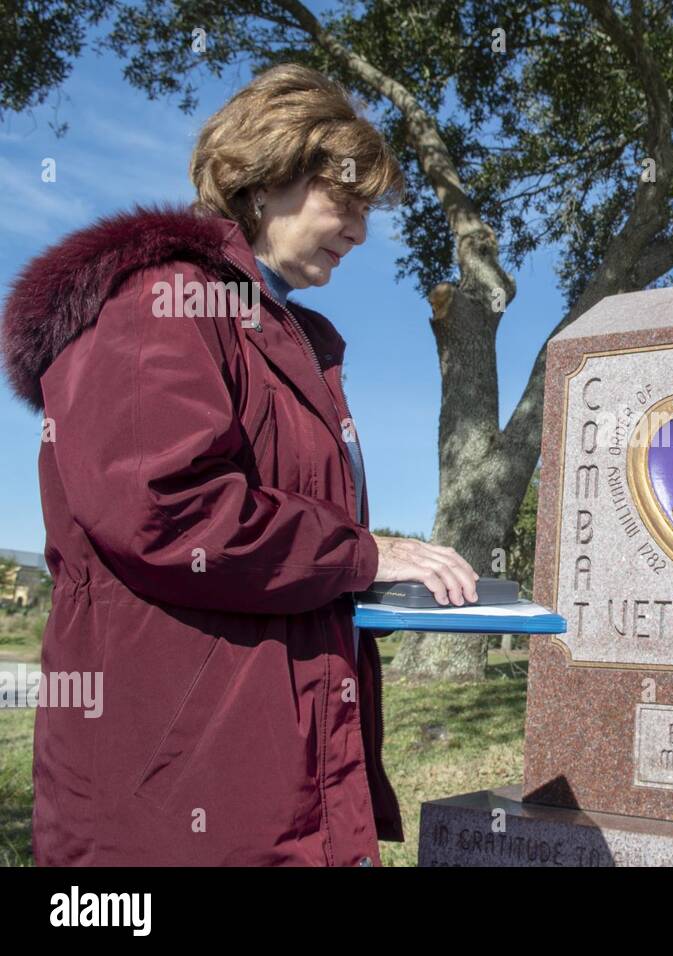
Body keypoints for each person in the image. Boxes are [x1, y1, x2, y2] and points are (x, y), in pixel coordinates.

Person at [0, 64, 477, 865]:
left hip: (267, 776)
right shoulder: (160, 300)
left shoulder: (283, 331)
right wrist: (361, 555)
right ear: (266, 176)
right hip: (177, 794)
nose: (360, 230)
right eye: (346, 200)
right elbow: (168, 510)